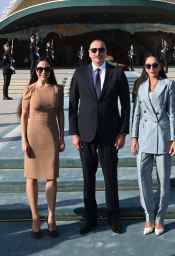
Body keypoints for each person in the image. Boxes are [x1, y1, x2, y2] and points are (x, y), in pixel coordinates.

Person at [69, 39, 131, 235]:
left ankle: (113, 216)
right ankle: (91, 217)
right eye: (94, 50)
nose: (98, 53)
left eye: (101, 50)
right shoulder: (79, 74)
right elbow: (72, 105)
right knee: (88, 178)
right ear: (88, 53)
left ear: (106, 52)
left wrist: (123, 132)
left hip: (110, 134)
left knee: (110, 177)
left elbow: (126, 106)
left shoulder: (117, 73)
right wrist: (74, 133)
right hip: (86, 133)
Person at [131, 55, 175, 236]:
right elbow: (136, 114)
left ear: (160, 66)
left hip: (163, 137)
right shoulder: (140, 87)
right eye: (148, 65)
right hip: (143, 137)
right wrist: (134, 137)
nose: (151, 68)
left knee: (163, 180)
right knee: (143, 179)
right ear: (144, 67)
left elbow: (173, 113)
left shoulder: (168, 85)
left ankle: (160, 218)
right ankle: (148, 215)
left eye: (155, 65)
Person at [18, 58, 65, 239]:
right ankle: (35, 217)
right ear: (35, 71)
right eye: (39, 69)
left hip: (51, 135)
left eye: (46, 69)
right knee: (32, 177)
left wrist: (62, 136)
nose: (43, 72)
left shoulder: (57, 89)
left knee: (51, 176)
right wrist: (24, 140)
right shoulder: (29, 89)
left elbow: (60, 113)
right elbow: (23, 116)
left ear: (50, 70)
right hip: (33, 136)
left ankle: (51, 217)